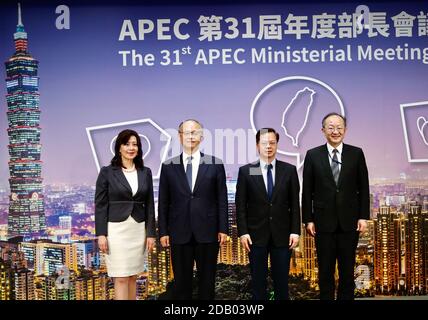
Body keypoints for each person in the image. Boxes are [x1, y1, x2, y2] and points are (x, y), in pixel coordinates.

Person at [302, 112, 370, 300]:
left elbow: (363, 187)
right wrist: (308, 219)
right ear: (323, 130)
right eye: (330, 127)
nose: (335, 131)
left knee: (347, 272)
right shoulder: (312, 155)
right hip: (323, 223)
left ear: (345, 130)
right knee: (325, 272)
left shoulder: (356, 153)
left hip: (350, 223)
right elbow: (307, 191)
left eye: (339, 127)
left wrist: (363, 216)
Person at [158, 119, 228, 300]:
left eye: (194, 132)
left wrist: (223, 229)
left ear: (202, 137)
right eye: (186, 132)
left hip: (208, 232)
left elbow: (221, 199)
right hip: (178, 233)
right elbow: (164, 202)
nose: (191, 136)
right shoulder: (168, 166)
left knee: (207, 283)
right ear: (180, 137)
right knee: (181, 285)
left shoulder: (215, 164)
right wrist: (163, 231)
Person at [236, 128, 300, 300]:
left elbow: (295, 204)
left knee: (282, 285)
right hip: (255, 236)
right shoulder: (246, 171)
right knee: (258, 284)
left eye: (272, 142)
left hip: (283, 235)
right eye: (264, 143)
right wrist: (243, 232)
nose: (269, 146)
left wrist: (295, 231)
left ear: (277, 144)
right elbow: (240, 205)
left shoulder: (289, 170)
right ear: (258, 146)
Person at [95, 129, 156, 300]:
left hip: (138, 229)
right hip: (115, 230)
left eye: (135, 144)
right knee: (120, 277)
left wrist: (151, 233)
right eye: (127, 144)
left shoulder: (146, 172)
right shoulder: (107, 172)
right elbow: (100, 205)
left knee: (132, 277)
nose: (131, 148)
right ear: (119, 147)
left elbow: (150, 204)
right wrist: (101, 234)